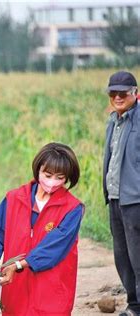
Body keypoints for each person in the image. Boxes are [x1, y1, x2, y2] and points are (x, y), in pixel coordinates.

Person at [0, 142, 84, 316]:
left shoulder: (72, 208)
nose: (52, 182)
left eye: (60, 177)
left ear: (68, 177)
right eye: (47, 174)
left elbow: (54, 248)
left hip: (51, 289)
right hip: (15, 287)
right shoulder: (14, 198)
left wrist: (19, 265)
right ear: (38, 170)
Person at [103, 71, 140, 316]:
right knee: (122, 255)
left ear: (135, 94)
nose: (117, 97)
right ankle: (134, 304)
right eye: (113, 93)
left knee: (138, 255)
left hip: (135, 198)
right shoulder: (113, 121)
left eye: (123, 93)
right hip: (115, 197)